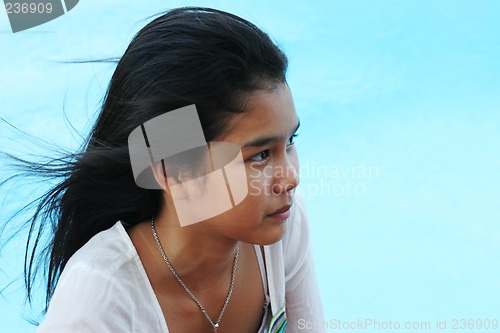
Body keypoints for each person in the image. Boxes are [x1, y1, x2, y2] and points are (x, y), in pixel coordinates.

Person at [3, 7, 325, 333]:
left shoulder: (279, 227)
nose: (290, 178)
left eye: (290, 142)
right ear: (174, 170)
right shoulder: (98, 302)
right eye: (259, 156)